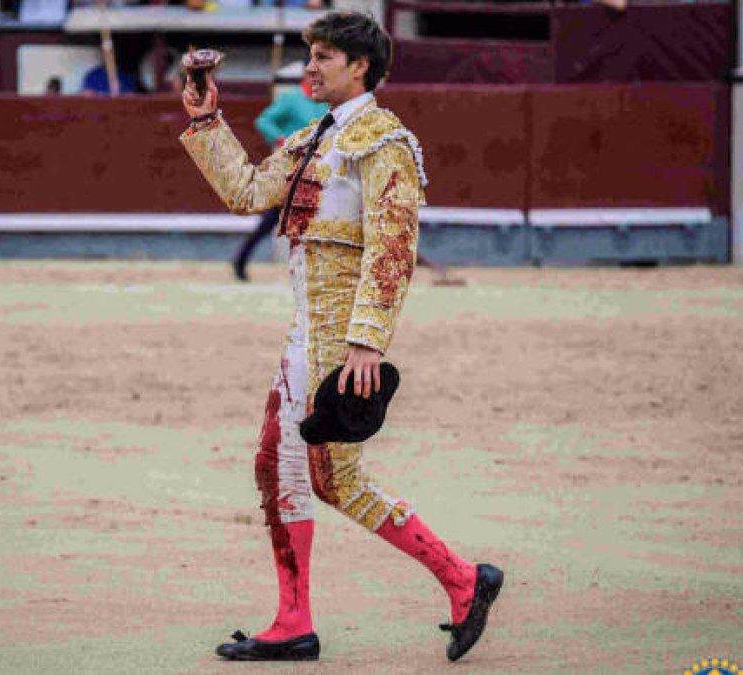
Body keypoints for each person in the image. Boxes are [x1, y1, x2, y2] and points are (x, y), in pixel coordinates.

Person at [180, 10, 503, 663]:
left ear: (361, 66)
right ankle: (296, 618)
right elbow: (246, 191)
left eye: (325, 56)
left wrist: (367, 340)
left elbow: (393, 248)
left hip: (339, 339)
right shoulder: (312, 139)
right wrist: (207, 121)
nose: (310, 65)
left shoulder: (384, 142)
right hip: (305, 335)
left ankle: (462, 579)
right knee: (280, 467)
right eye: (312, 54)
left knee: (332, 475)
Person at [232, 62, 329, 282]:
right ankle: (242, 259)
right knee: (278, 219)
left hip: (316, 171)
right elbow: (264, 120)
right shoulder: (291, 99)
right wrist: (280, 138)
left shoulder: (326, 103)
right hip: (291, 171)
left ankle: (242, 260)